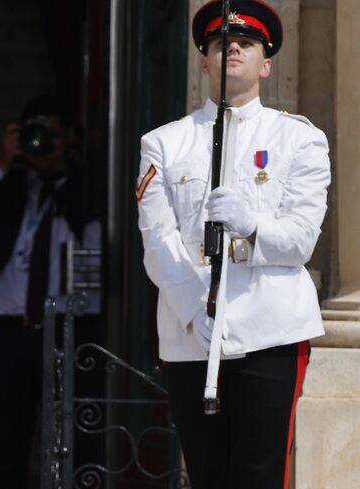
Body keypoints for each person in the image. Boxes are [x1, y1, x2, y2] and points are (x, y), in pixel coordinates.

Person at [135, 1, 330, 488]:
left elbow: (302, 239)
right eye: (222, 44)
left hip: (269, 328)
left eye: (246, 44)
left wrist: (253, 224)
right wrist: (191, 308)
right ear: (205, 62)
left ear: (266, 64)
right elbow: (158, 241)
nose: (234, 50)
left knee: (260, 473)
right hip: (191, 331)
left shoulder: (299, 140)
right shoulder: (164, 143)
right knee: (207, 474)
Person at [0, 95, 97, 489]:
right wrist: (2, 163)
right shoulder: (8, 181)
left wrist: (58, 172)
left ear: (70, 138)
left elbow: (89, 219)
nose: (41, 144)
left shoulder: (86, 181)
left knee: (71, 438)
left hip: (66, 327)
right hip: (5, 329)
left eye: (52, 135)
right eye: (34, 134)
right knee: (3, 441)